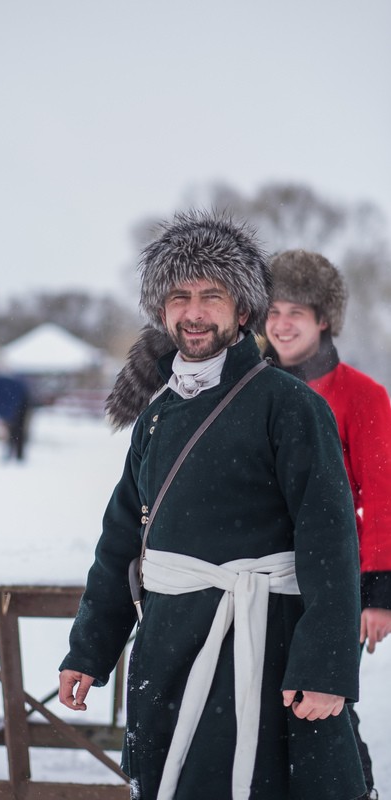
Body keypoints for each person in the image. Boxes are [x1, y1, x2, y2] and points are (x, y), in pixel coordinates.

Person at [59, 211, 366, 800]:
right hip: (170, 647)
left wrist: (325, 667)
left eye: (210, 295)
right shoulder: (154, 417)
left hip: (261, 645)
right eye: (179, 297)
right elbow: (122, 543)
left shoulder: (291, 406)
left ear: (242, 311)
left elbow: (329, 542)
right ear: (162, 310)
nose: (193, 312)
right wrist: (90, 649)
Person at [265, 249, 391, 799]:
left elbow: (382, 498)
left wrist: (377, 590)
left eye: (296, 311)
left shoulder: (363, 396)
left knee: (327, 721)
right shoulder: (250, 393)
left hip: (328, 587)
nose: (282, 324)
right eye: (272, 311)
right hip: (258, 586)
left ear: (323, 320)